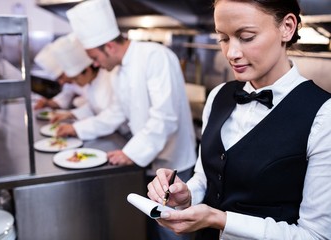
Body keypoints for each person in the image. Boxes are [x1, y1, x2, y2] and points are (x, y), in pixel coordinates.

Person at [147, 0, 331, 239]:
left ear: (287, 27)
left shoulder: (323, 115)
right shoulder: (219, 95)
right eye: (223, 38)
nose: (231, 53)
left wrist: (220, 219)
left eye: (246, 37)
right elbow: (205, 177)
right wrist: (186, 194)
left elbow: (316, 235)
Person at [66, 1, 197, 239]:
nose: (95, 64)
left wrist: (131, 152)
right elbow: (116, 112)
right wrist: (76, 128)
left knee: (174, 231)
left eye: (94, 57)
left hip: (174, 163)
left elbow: (165, 117)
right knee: (155, 226)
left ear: (109, 47)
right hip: (148, 162)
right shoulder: (118, 71)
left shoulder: (156, 56)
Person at [49, 33, 118, 137]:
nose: (76, 83)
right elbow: (93, 107)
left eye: (76, 79)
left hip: (122, 134)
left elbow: (111, 116)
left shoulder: (109, 78)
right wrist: (70, 114)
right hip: (109, 132)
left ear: (88, 70)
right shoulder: (91, 83)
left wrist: (76, 128)